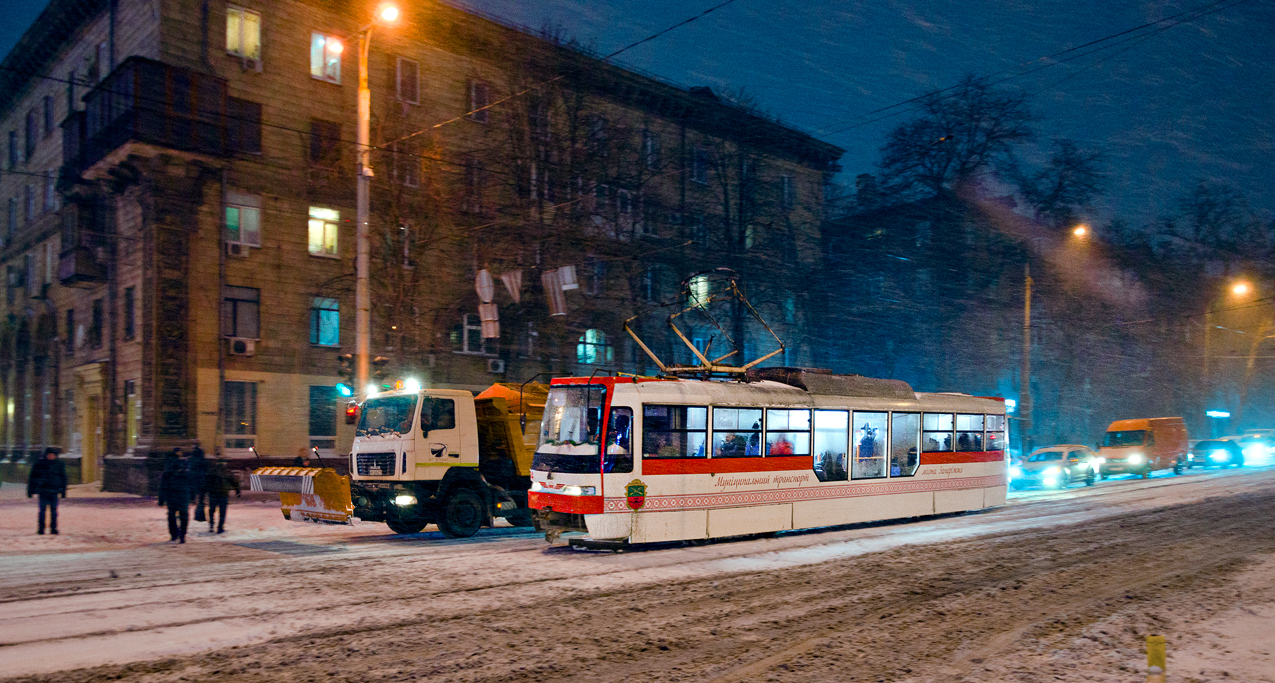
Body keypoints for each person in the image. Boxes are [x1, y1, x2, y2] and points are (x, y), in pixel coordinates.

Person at [28, 447, 67, 535]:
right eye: (49, 455)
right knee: (42, 510)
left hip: (54, 490)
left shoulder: (59, 464)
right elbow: (33, 477)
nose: (50, 456)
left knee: (54, 511)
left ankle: (54, 528)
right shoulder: (39, 464)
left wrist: (63, 490)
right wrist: (30, 490)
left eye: (52, 455)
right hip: (43, 490)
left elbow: (63, 478)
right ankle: (41, 528)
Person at [158, 451, 190, 543]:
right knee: (184, 516)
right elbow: (191, 485)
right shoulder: (185, 473)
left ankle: (174, 534)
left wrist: (161, 500)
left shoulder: (167, 474)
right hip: (183, 497)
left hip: (171, 497)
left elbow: (162, 487)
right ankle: (183, 535)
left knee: (171, 516)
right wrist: (191, 498)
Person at [204, 458, 241, 534]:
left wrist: (205, 492)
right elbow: (234, 482)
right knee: (222, 512)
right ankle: (220, 527)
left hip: (213, 494)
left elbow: (206, 483)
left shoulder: (212, 471)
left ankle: (211, 524)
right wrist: (237, 491)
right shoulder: (227, 472)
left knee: (212, 510)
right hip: (223, 494)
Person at [187, 444, 208, 523]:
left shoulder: (190, 460)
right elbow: (205, 470)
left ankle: (191, 515)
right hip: (201, 482)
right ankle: (200, 516)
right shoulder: (202, 461)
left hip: (191, 481)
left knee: (191, 500)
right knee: (201, 500)